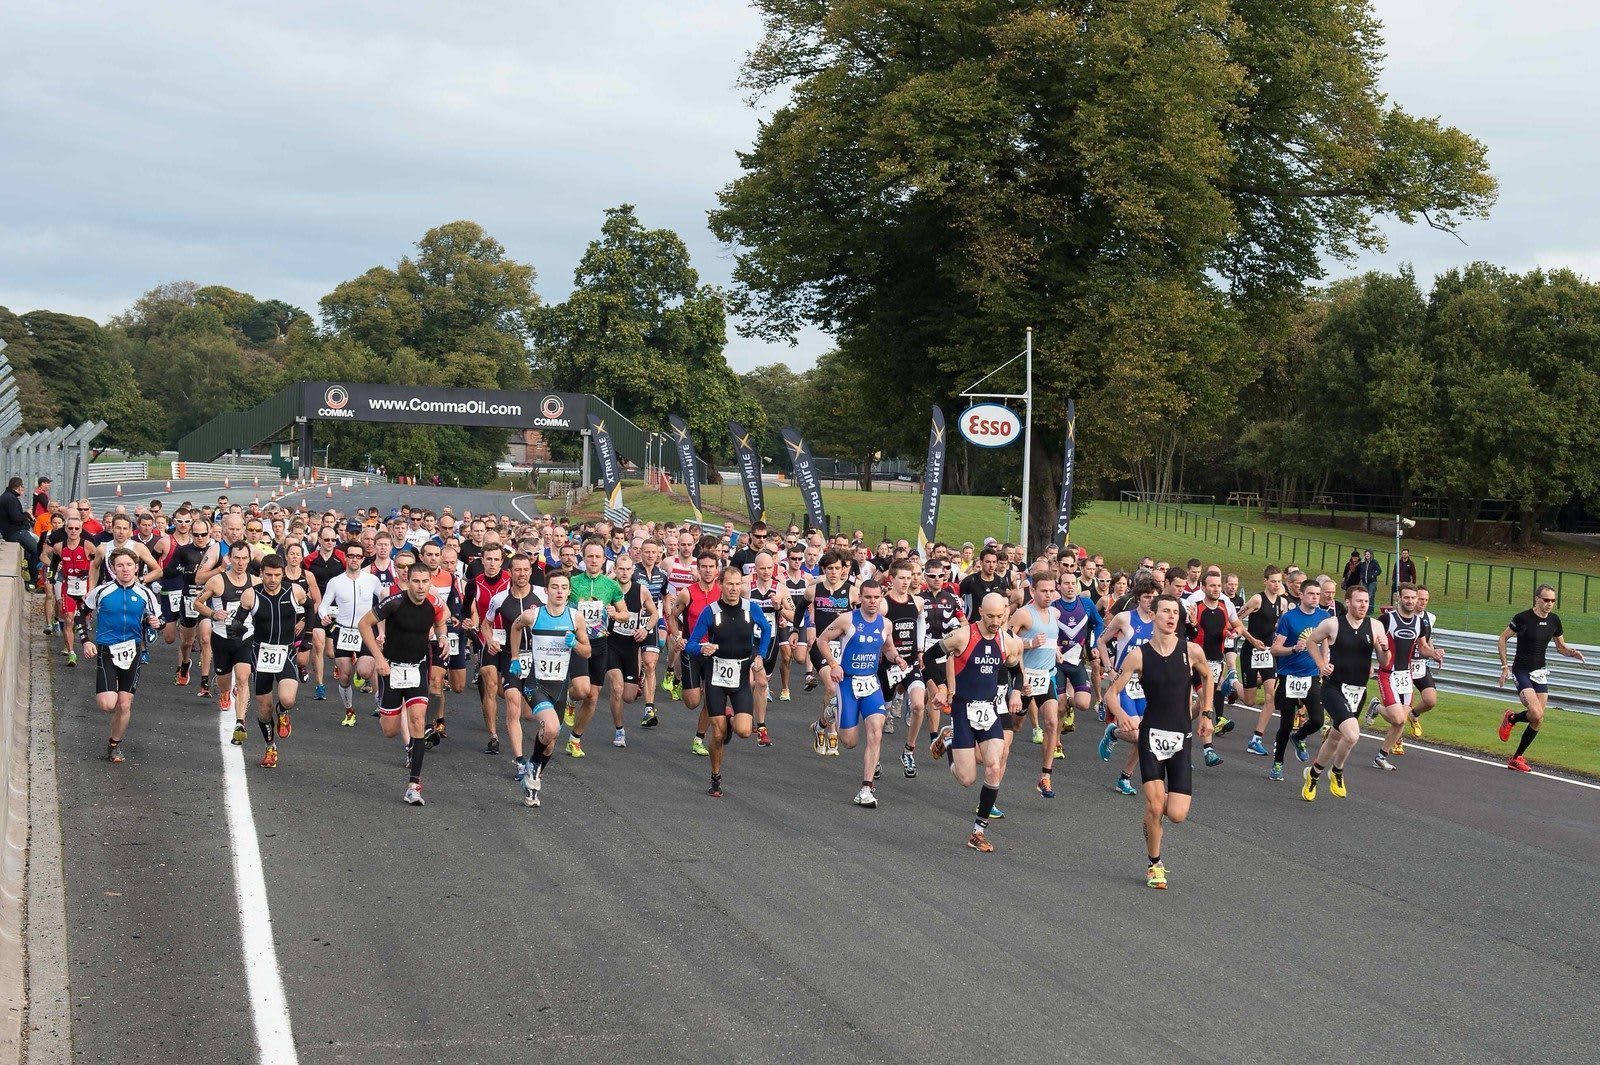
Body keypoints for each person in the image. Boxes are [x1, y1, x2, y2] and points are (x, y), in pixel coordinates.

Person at [1102, 594, 1212, 888]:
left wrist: (1207, 712)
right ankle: (1154, 865)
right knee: (1154, 804)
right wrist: (1121, 714)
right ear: (1155, 616)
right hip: (1151, 735)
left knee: (1176, 814)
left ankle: (1151, 823)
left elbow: (1208, 675)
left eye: (1175, 612)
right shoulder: (1139, 655)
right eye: (1165, 611)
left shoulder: (1191, 652)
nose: (1171, 617)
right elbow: (1110, 693)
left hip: (1180, 736)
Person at [928, 593, 1022, 852]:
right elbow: (929, 657)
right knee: (967, 778)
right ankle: (948, 739)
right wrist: (941, 686)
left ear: (1005, 613)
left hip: (990, 710)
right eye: (990, 616)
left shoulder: (1007, 641)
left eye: (999, 616)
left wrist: (1016, 691)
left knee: (993, 765)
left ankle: (977, 832)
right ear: (980, 612)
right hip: (962, 709)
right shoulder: (963, 635)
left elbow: (1016, 669)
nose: (995, 621)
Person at [360, 563, 451, 805]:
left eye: (425, 582)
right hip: (391, 667)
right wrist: (378, 658)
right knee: (390, 730)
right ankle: (384, 703)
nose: (421, 587)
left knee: (418, 721)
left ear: (430, 582)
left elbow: (443, 620)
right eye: (416, 582)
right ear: (408, 581)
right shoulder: (395, 602)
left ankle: (414, 785)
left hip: (418, 668)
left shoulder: (435, 602)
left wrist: (443, 637)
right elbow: (363, 624)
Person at [505, 571, 591, 807]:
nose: (560, 591)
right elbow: (514, 627)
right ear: (546, 591)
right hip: (536, 683)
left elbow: (587, 652)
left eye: (564, 587)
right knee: (550, 728)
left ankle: (532, 782)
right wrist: (514, 657)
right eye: (555, 587)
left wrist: (575, 644)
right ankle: (532, 765)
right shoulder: (533, 615)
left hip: (560, 686)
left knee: (551, 741)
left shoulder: (576, 618)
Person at [685, 568, 772, 797]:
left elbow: (767, 629)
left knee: (744, 732)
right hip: (716, 674)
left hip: (741, 674)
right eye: (729, 584)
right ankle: (715, 777)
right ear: (720, 584)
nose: (733, 589)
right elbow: (690, 645)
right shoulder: (710, 611)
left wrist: (760, 654)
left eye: (737, 584)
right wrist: (704, 647)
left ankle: (732, 720)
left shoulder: (750, 608)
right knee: (717, 734)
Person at [76, 547, 163, 762]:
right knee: (107, 704)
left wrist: (155, 623)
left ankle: (114, 745)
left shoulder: (145, 593)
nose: (125, 569)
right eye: (120, 566)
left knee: (125, 704)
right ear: (113, 569)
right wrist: (86, 641)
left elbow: (159, 621)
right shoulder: (102, 591)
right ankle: (111, 701)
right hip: (107, 650)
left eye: (129, 565)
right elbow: (81, 615)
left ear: (136, 568)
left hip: (132, 650)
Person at [1303, 587, 1389, 798]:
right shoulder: (1333, 624)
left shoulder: (1376, 626)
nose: (1363, 605)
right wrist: (1321, 664)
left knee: (1335, 738)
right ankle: (1337, 771)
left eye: (1366, 601)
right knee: (1352, 735)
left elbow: (1385, 663)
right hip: (1333, 688)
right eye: (1359, 601)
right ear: (1348, 602)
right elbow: (1310, 641)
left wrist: (1384, 649)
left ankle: (1313, 774)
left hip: (1358, 691)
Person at [1497, 585, 1586, 772]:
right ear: (1537, 599)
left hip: (1539, 673)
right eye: (1546, 600)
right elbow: (1503, 639)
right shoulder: (1522, 618)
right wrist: (1505, 666)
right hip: (1521, 671)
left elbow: (1560, 647)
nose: (1549, 604)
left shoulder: (1554, 620)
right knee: (1536, 713)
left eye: (1553, 601)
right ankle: (1512, 720)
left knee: (1538, 719)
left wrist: (1571, 653)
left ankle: (1515, 753)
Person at [244, 555, 307, 769]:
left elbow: (311, 607)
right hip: (260, 654)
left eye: (277, 575)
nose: (272, 579)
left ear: (283, 573)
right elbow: (238, 621)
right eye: (268, 575)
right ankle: (270, 747)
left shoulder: (294, 591)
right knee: (264, 708)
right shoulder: (251, 594)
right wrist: (236, 629)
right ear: (261, 573)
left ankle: (283, 712)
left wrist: (305, 632)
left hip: (286, 652)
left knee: (287, 699)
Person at [1268, 578, 1332, 782]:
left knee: (1318, 720)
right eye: (1311, 594)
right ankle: (1278, 763)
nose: (1315, 597)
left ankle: (1300, 736)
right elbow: (1275, 649)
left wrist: (1324, 664)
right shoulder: (1289, 618)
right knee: (1285, 725)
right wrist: (1293, 648)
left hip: (1311, 675)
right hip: (1289, 676)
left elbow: (1326, 645)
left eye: (1317, 594)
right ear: (1302, 595)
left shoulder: (1325, 617)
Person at [1, 476, 43, 587]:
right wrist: (27, 514)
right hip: (15, 532)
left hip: (14, 531)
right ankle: (32, 581)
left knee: (35, 541)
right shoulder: (10, 499)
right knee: (36, 550)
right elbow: (16, 517)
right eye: (22, 488)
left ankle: (27, 561)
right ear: (19, 487)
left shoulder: (7, 497)